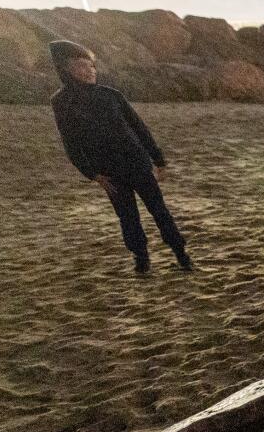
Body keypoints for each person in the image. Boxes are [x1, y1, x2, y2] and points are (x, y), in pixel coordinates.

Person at [48, 40, 192, 274]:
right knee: (127, 217)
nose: (90, 71)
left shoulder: (111, 95)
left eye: (91, 66)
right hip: (109, 173)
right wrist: (93, 174)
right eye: (82, 66)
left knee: (159, 210)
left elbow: (139, 128)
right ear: (66, 69)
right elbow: (70, 142)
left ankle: (181, 254)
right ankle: (141, 258)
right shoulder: (61, 102)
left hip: (137, 163)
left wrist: (159, 160)